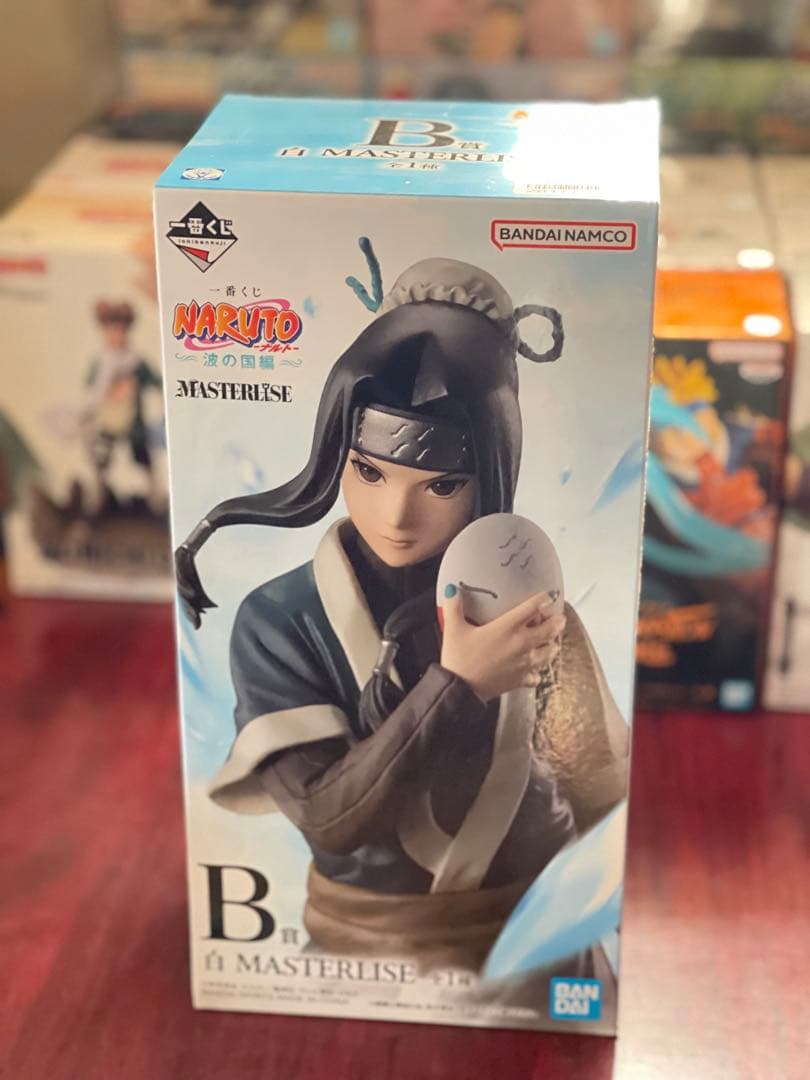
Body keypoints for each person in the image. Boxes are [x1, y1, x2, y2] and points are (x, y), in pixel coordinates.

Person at [176, 249, 628, 972]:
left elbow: (602, 790)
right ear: (338, 457)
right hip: (362, 954)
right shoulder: (280, 621)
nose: (396, 515)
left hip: (539, 946)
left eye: (442, 486)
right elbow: (329, 818)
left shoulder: (538, 613)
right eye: (369, 471)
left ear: (491, 477)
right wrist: (457, 686)